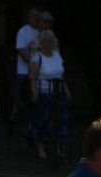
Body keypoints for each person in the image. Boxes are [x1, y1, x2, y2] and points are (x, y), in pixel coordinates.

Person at [27, 29, 71, 159]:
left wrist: (66, 91)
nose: (47, 44)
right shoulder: (38, 58)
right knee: (42, 121)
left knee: (58, 121)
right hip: (44, 93)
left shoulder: (57, 55)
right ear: (41, 43)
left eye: (50, 41)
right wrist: (34, 92)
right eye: (45, 42)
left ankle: (55, 147)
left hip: (57, 93)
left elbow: (60, 76)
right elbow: (32, 78)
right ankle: (40, 147)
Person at [10, 6, 40, 124]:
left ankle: (32, 124)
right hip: (23, 72)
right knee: (19, 99)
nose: (36, 18)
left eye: (38, 16)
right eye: (33, 16)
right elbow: (21, 50)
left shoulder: (40, 32)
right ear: (28, 17)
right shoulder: (23, 31)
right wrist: (31, 63)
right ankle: (12, 121)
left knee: (34, 98)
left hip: (37, 72)